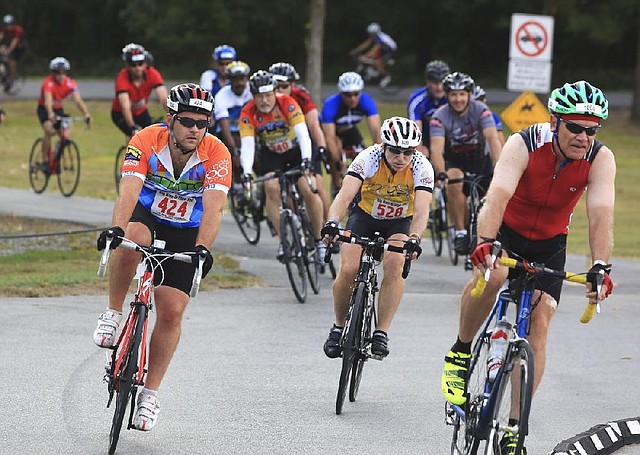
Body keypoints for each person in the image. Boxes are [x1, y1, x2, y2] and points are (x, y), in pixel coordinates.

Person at [440, 80, 615, 454]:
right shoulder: (524, 143)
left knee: (541, 320)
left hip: (550, 244)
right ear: (555, 122)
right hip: (505, 230)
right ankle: (460, 351)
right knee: (493, 277)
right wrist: (485, 242)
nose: (583, 137)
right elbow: (498, 193)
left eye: (591, 129)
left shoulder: (600, 158)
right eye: (575, 127)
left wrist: (601, 265)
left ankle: (515, 427)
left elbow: (601, 214)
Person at [94, 83, 231, 431]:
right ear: (170, 119)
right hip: (148, 214)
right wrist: (116, 228)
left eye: (203, 123)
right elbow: (129, 189)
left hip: (188, 229)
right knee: (132, 238)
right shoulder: (144, 140)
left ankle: (150, 395)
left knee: (171, 311)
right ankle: (112, 313)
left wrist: (203, 249)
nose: (195, 130)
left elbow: (215, 207)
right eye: (187, 122)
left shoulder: (217, 153)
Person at [321, 117, 433, 358]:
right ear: (384, 146)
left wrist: (414, 237)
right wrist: (332, 223)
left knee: (395, 265)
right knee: (349, 269)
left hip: (399, 222)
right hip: (365, 216)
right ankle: (338, 326)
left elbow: (422, 211)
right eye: (395, 151)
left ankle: (381, 332)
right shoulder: (368, 157)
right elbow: (344, 196)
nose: (401, 157)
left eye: (407, 152)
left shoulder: (422, 167)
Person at [239, 70, 324, 261]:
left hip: (296, 151)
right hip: (272, 154)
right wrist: (246, 172)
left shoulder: (288, 103)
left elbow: (303, 134)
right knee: (270, 187)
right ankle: (284, 241)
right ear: (253, 96)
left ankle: (319, 240)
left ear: (274, 92)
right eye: (260, 96)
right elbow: (247, 145)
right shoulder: (248, 112)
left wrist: (307, 160)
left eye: (268, 95)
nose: (265, 100)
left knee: (307, 188)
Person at [429, 72, 502, 255]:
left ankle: (491, 231)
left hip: (480, 160)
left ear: (469, 94)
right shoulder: (439, 116)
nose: (458, 99)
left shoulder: (481, 110)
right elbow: (436, 150)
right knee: (453, 181)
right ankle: (461, 232)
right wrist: (440, 172)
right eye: (453, 94)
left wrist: (500, 167)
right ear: (447, 96)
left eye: (462, 94)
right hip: (456, 161)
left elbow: (493, 139)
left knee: (494, 194)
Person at [270, 61, 331, 222]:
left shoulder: (301, 96)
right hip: (284, 144)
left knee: (316, 185)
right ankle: (297, 222)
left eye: (283, 86)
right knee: (285, 186)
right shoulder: (267, 99)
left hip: (305, 141)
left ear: (292, 85)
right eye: (275, 86)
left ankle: (329, 226)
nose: (279, 91)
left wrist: (322, 148)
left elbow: (313, 125)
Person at [321, 71, 381, 197]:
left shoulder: (366, 101)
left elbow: (376, 131)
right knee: (334, 156)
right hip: (333, 132)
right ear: (341, 94)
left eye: (355, 94)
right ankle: (336, 186)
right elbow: (330, 138)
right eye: (347, 95)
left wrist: (379, 155)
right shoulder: (331, 104)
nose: (352, 98)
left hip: (349, 130)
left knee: (363, 155)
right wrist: (337, 160)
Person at [37, 57, 92, 167]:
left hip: (58, 109)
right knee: (49, 130)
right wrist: (50, 113)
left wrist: (86, 114)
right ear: (52, 73)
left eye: (62, 73)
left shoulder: (70, 83)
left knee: (64, 133)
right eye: (57, 73)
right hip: (45, 109)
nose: (60, 76)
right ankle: (44, 160)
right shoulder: (48, 83)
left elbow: (78, 101)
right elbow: (48, 101)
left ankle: (56, 155)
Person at [111, 43, 167, 137]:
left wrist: (173, 114)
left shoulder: (152, 73)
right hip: (121, 114)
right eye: (133, 65)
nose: (137, 68)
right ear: (127, 66)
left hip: (141, 112)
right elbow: (125, 106)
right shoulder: (122, 79)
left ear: (145, 64)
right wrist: (132, 127)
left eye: (140, 64)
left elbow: (163, 97)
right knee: (136, 137)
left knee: (153, 135)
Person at [213, 60, 252, 183]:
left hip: (250, 130)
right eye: (236, 79)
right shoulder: (221, 96)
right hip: (230, 133)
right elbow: (224, 126)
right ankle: (237, 183)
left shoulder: (252, 91)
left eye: (242, 79)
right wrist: (235, 151)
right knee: (234, 145)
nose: (240, 83)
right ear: (230, 80)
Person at [407, 59, 450, 158]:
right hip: (426, 141)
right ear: (427, 81)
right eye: (435, 83)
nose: (439, 88)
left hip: (451, 141)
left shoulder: (454, 97)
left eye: (442, 83)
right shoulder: (417, 100)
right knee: (422, 153)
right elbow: (415, 133)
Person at [350, 22, 397, 88]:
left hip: (390, 51)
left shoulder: (380, 38)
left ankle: (386, 77)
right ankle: (372, 72)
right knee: (370, 59)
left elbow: (375, 49)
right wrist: (356, 50)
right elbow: (366, 44)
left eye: (371, 33)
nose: (370, 35)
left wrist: (365, 56)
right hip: (383, 50)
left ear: (375, 32)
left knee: (377, 62)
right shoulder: (374, 36)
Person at [0, 14, 27, 90]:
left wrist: (8, 50)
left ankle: (12, 78)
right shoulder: (4, 29)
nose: (8, 26)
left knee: (12, 61)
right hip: (11, 44)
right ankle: (4, 72)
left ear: (13, 24)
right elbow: (1, 36)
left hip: (20, 47)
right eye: (6, 25)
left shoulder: (18, 29)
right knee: (2, 50)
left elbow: (15, 41)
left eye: (10, 24)